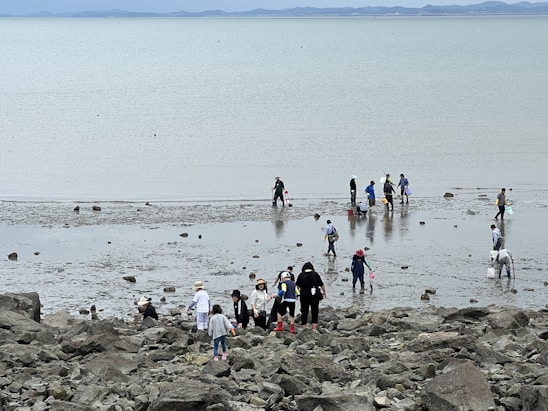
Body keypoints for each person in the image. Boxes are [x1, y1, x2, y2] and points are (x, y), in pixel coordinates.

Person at [295, 262, 326, 331]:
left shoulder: (301, 275)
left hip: (304, 296)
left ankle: (304, 327)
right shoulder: (315, 274)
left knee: (304, 311)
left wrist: (297, 294)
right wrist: (324, 293)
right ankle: (314, 327)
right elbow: (321, 284)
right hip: (314, 295)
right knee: (315, 311)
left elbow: (297, 286)